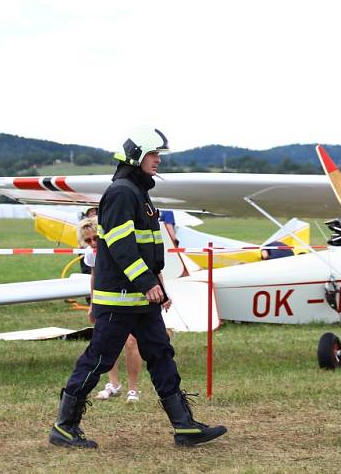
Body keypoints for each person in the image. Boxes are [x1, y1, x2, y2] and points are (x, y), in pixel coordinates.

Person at [49, 126, 227, 449]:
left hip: (142, 299)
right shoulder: (121, 193)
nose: (159, 160)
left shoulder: (138, 192)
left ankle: (184, 426)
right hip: (119, 300)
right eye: (154, 155)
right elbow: (121, 246)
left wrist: (157, 285)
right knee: (99, 359)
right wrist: (147, 283)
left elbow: (147, 249)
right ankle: (64, 426)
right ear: (137, 157)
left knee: (161, 355)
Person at [80, 216, 144, 404]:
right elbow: (94, 276)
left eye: (95, 239)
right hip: (106, 301)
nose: (92, 243)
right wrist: (92, 304)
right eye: (87, 240)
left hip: (128, 297)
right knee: (106, 342)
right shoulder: (91, 254)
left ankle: (133, 389)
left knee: (131, 342)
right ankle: (113, 384)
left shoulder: (121, 247)